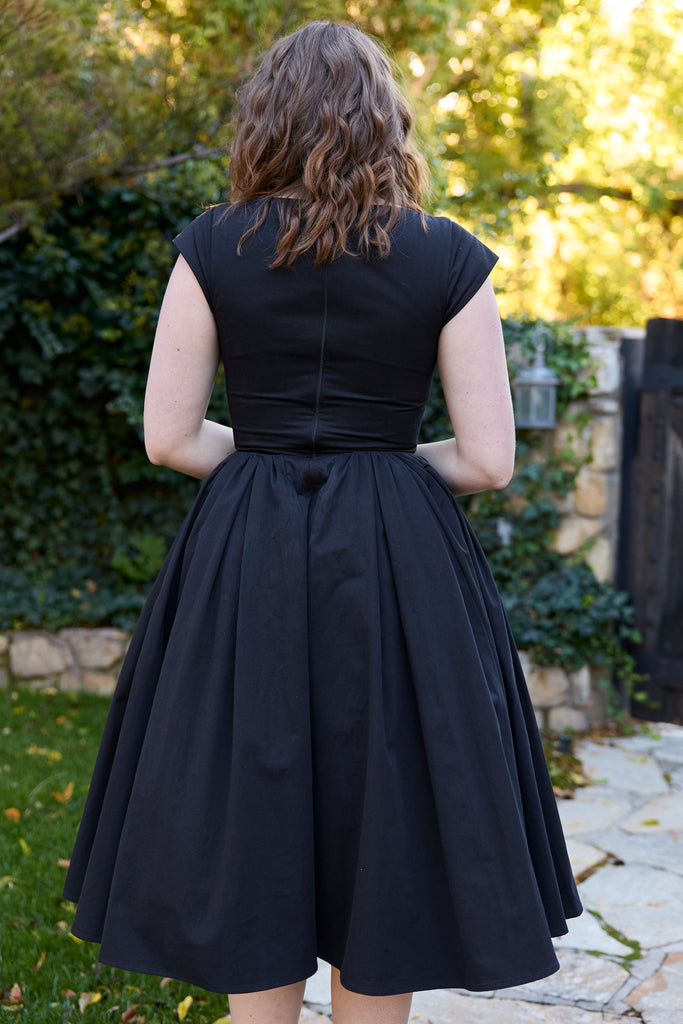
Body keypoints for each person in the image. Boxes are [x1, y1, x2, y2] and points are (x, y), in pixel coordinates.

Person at [63, 20, 582, 1024]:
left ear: (268, 120)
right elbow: (486, 458)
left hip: (244, 549)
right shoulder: (447, 258)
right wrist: (378, 466)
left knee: (252, 793)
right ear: (385, 125)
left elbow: (169, 438)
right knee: (382, 802)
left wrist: (267, 456)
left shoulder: (212, 245)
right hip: (395, 557)